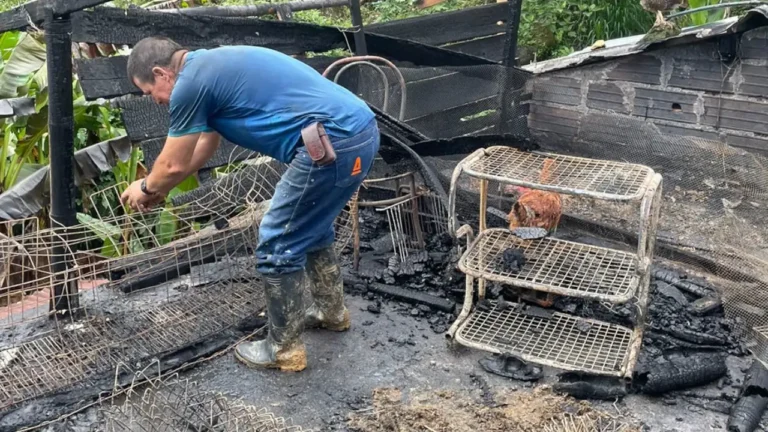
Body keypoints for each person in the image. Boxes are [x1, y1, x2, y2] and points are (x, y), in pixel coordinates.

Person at [120, 37, 379, 372]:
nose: (153, 101)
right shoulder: (210, 68)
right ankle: (331, 313)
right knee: (312, 228)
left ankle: (283, 350)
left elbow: (170, 165)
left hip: (330, 145)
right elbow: (198, 153)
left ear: (161, 73)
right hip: (359, 133)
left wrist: (144, 186)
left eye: (147, 91)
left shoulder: (190, 84)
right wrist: (158, 189)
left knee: (277, 239)